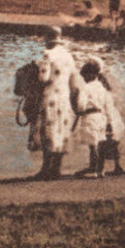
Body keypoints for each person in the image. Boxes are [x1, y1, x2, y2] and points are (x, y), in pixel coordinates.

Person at [25, 28, 78, 180]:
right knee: (60, 131)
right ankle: (56, 169)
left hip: (49, 96)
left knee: (47, 132)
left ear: (47, 37)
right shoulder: (68, 55)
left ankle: (45, 169)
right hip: (64, 96)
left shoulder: (47, 55)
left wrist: (35, 70)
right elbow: (72, 77)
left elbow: (44, 78)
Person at [73, 59, 125, 178]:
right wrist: (110, 121)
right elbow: (107, 104)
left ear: (90, 75)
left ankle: (93, 170)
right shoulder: (101, 88)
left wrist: (78, 109)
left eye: (85, 75)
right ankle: (100, 169)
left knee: (92, 145)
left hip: (90, 116)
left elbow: (80, 106)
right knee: (100, 142)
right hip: (101, 117)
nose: (84, 78)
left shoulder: (85, 88)